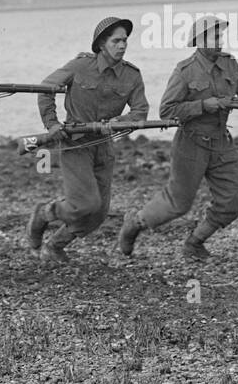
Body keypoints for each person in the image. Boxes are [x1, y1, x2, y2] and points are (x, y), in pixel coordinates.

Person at [117, 16, 238, 260]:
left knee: (232, 203)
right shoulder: (185, 71)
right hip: (191, 142)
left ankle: (194, 242)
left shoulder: (229, 64)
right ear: (200, 40)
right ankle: (135, 223)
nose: (220, 41)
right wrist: (204, 105)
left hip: (221, 142)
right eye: (215, 37)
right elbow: (168, 110)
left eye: (221, 36)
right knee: (178, 204)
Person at [28, 17, 148, 262]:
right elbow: (45, 89)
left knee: (99, 213)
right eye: (116, 41)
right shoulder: (80, 66)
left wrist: (119, 123)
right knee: (83, 204)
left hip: (104, 146)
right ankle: (44, 212)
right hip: (76, 143)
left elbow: (140, 111)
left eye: (125, 41)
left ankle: (55, 246)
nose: (122, 46)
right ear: (101, 44)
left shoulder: (131, 75)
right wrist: (52, 124)